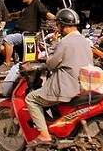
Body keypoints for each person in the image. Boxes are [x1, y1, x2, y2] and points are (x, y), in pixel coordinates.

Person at [25, 8, 93, 145]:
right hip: (83, 86)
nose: (58, 28)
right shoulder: (85, 41)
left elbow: (51, 64)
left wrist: (53, 49)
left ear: (63, 26)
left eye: (58, 25)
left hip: (65, 88)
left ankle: (44, 135)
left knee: (31, 98)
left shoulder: (65, 42)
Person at [2, 0, 56, 67]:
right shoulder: (25, 6)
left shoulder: (37, 3)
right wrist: (8, 15)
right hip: (18, 32)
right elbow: (19, 13)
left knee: (8, 40)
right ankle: (13, 57)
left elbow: (46, 13)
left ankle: (7, 62)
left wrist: (57, 18)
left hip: (28, 35)